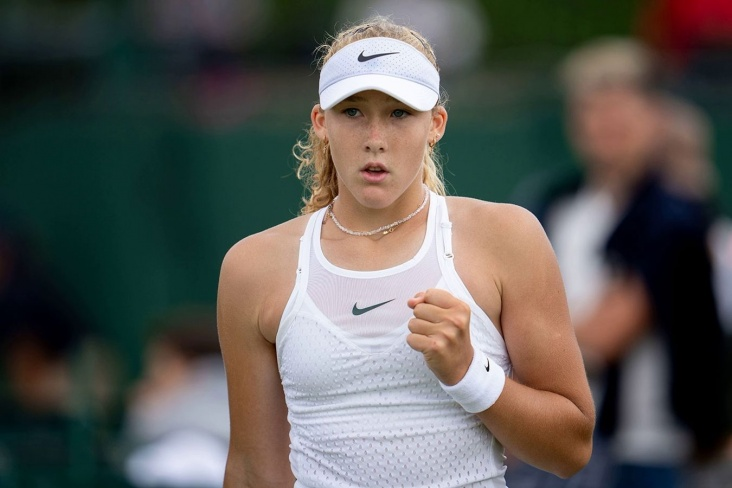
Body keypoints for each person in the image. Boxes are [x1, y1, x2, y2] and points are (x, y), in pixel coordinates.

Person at [216, 15, 595, 488]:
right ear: (321, 123)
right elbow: (252, 471)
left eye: (399, 113)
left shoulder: (508, 237)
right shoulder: (251, 268)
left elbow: (570, 450)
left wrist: (469, 373)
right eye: (352, 112)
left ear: (435, 124)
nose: (375, 139)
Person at [506, 37, 730, 488]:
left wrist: (506, 379)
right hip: (557, 443)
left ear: (655, 116)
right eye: (593, 108)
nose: (608, 122)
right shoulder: (550, 206)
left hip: (648, 448)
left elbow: (611, 330)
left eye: (622, 106)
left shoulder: (673, 213)